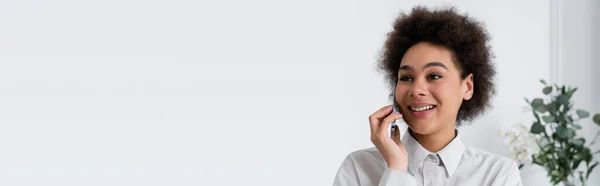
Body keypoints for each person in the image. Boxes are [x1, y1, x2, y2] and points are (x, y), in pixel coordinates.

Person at [333, 6, 522, 186]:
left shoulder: (498, 174)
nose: (416, 89)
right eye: (406, 77)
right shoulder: (358, 168)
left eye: (434, 76)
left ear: (467, 86)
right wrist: (396, 168)